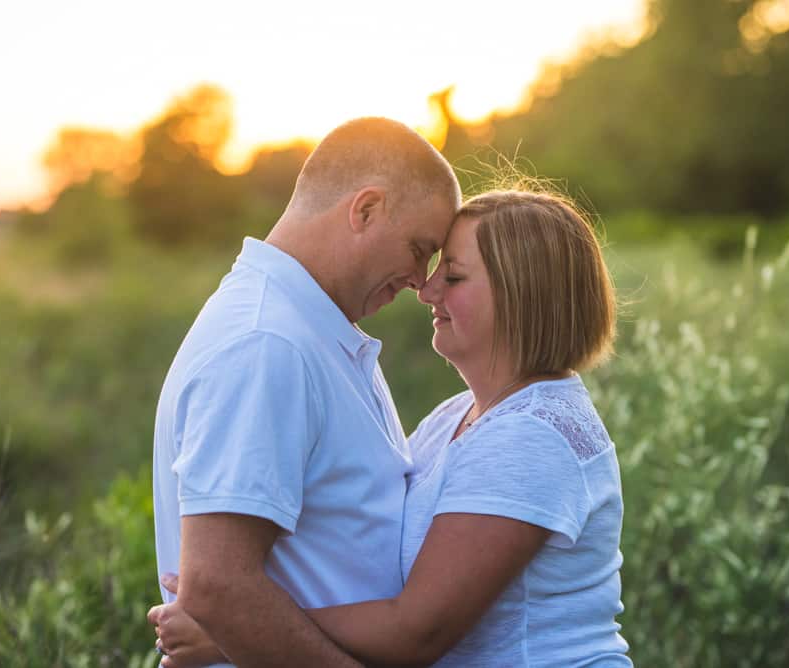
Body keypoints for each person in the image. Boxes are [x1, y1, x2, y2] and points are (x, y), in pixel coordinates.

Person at [151, 188, 633, 667]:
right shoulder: (454, 417)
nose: (427, 291)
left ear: (524, 294)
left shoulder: (531, 435)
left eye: (455, 276)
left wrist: (230, 628)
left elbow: (418, 628)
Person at [148, 117, 461, 667]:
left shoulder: (311, 332)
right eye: (419, 249)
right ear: (365, 210)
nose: (421, 279)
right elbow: (219, 586)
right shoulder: (267, 343)